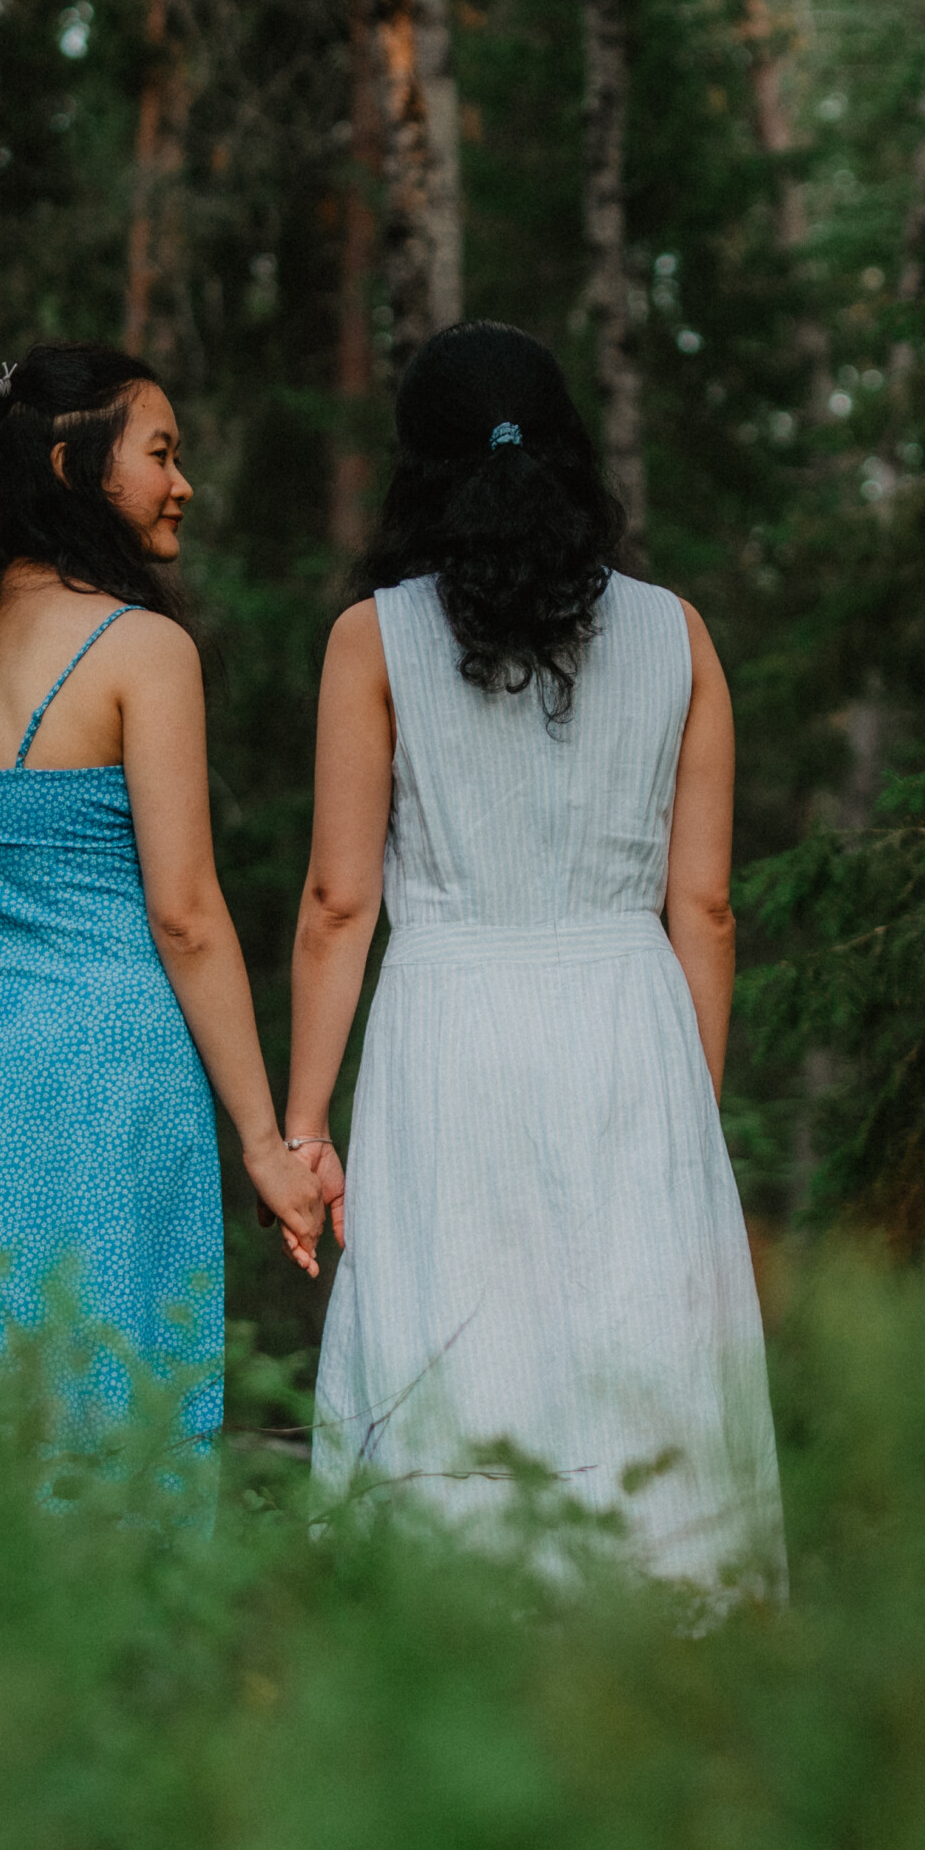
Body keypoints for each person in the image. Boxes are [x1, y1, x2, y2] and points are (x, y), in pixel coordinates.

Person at [291, 321, 783, 1596]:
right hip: (632, 1026)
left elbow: (339, 904)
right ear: (569, 453)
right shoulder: (682, 637)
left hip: (448, 1030)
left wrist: (302, 1125)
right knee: (638, 1371)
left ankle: (449, 1681)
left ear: (419, 470)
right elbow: (708, 907)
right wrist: (691, 1099)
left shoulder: (373, 641)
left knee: (453, 1352)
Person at [0, 342, 331, 1464]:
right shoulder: (144, 653)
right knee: (112, 1403)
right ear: (74, 469)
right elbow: (187, 915)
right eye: (160, 453)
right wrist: (264, 1138)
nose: (182, 483)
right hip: (114, 1082)